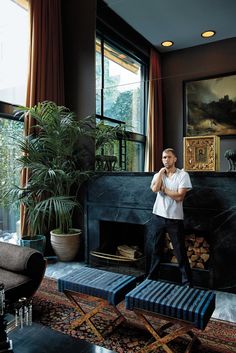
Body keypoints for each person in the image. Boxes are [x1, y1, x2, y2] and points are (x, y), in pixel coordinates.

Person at [146, 148, 193, 286]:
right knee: (155, 249)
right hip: (158, 217)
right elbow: (154, 189)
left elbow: (179, 196)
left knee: (180, 252)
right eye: (164, 157)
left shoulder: (183, 175)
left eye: (169, 157)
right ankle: (151, 279)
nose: (166, 160)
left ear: (175, 159)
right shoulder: (158, 175)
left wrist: (164, 189)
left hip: (174, 219)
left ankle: (188, 283)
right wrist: (160, 173)